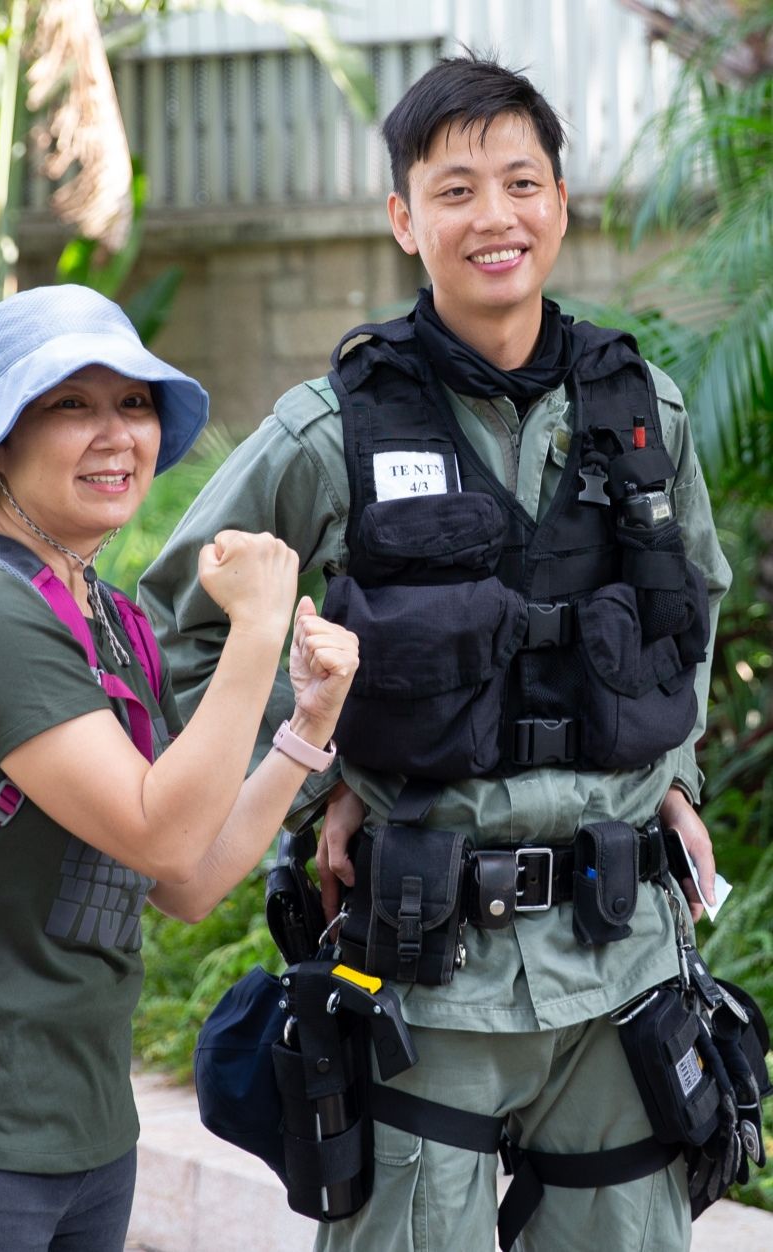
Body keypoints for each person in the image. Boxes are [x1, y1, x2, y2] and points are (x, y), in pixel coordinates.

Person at [139, 55, 732, 1252]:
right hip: (426, 976)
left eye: (521, 182)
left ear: (561, 204)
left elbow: (691, 609)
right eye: (455, 189)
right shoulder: (330, 428)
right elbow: (185, 637)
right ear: (404, 218)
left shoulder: (644, 412)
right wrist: (310, 786)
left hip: (622, 967)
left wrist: (675, 775)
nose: (495, 216)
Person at [0, 284, 359, 1252]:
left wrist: (307, 725)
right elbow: (159, 828)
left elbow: (181, 878)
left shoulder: (101, 616)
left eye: (133, 405)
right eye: (69, 404)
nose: (114, 434)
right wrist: (258, 626)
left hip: (84, 1132)